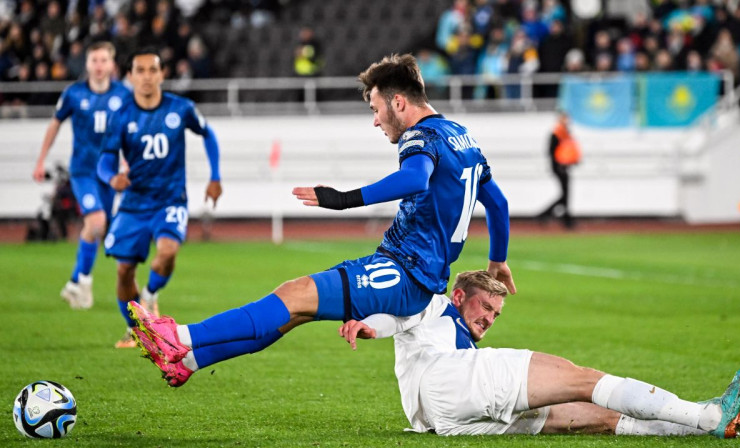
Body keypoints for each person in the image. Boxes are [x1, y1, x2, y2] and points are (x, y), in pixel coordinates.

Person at [128, 53, 515, 386]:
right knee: (292, 311)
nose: (376, 121)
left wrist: (341, 199)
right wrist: (498, 261)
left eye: (376, 109)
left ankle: (178, 337)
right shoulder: (463, 137)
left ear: (398, 102)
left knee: (292, 294)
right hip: (414, 273)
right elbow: (497, 204)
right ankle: (188, 362)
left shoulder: (421, 136)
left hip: (406, 273)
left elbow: (415, 179)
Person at [339, 271, 740, 439]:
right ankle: (706, 416)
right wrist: (370, 326)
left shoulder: (462, 341)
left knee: (593, 416)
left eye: (496, 313)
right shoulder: (434, 305)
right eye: (484, 307)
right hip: (446, 382)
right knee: (582, 378)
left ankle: (712, 427)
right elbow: (400, 318)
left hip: (448, 422)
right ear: (458, 296)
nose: (489, 318)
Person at [96, 48, 222, 348]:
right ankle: (136, 330)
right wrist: (112, 178)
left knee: (166, 254)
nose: (147, 77)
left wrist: (215, 176)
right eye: (140, 71)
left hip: (170, 200)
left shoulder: (181, 108)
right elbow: (104, 161)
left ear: (162, 74)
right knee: (124, 270)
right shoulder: (121, 115)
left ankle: (150, 295)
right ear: (130, 77)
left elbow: (208, 134)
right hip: (134, 204)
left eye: (153, 70)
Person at [32, 41, 132, 310]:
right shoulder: (74, 94)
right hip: (83, 172)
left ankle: (75, 282)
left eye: (103, 61)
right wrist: (41, 160)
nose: (98, 66)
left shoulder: (124, 94)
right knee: (97, 222)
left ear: (112, 65)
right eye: (94, 61)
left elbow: (132, 131)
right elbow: (55, 125)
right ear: (86, 64)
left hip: (109, 174)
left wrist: (131, 162)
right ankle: (84, 283)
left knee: (98, 229)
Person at [537, 110, 580, 228]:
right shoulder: (557, 134)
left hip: (564, 167)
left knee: (565, 195)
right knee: (565, 195)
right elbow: (552, 152)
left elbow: (568, 151)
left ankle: (556, 217)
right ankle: (560, 218)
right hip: (560, 168)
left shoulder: (565, 134)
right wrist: (558, 166)